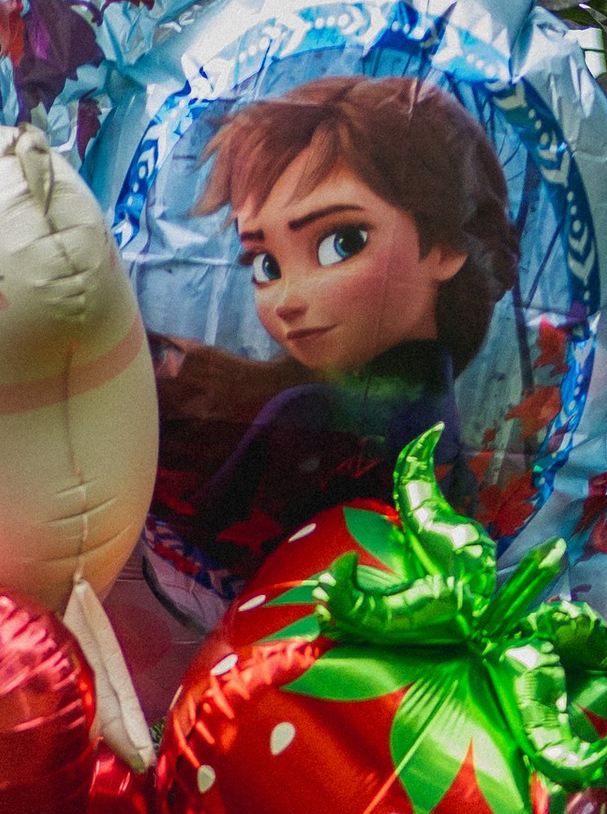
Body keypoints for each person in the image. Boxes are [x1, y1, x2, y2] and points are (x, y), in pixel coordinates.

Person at [149, 72, 524, 582]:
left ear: (447, 245)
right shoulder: (421, 425)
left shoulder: (314, 419)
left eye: (342, 243)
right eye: (265, 265)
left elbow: (179, 548)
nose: (287, 300)